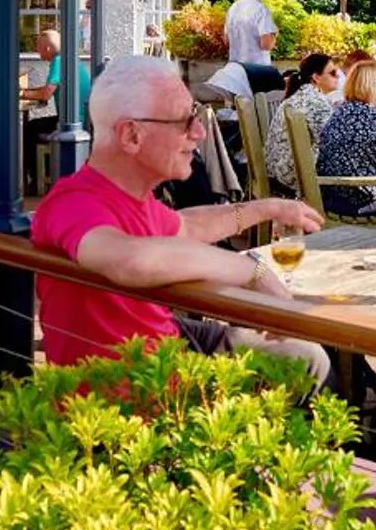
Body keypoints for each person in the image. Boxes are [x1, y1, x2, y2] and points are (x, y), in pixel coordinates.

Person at [30, 55, 331, 383]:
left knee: (306, 353)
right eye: (186, 121)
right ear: (132, 135)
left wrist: (268, 208)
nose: (200, 132)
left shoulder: (129, 196)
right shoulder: (76, 202)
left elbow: (186, 226)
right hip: (137, 397)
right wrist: (251, 271)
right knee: (310, 359)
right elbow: (132, 260)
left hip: (165, 344)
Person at [316, 64, 376, 218]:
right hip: (361, 200)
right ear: (369, 85)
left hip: (333, 196)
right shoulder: (372, 118)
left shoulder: (339, 113)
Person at [263, 52, 343, 191]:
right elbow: (332, 147)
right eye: (332, 73)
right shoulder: (316, 103)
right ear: (316, 77)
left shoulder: (300, 96)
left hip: (278, 172)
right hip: (296, 180)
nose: (338, 77)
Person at [23, 26, 90, 180]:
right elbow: (48, 88)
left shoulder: (59, 61)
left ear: (47, 48)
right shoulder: (69, 59)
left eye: (38, 48)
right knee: (34, 126)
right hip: (83, 118)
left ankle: (33, 179)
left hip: (72, 122)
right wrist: (29, 91)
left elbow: (46, 94)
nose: (37, 51)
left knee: (30, 129)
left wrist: (22, 93)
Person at [223, 0, 282, 94]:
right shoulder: (261, 9)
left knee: (238, 110)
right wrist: (275, 35)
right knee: (257, 111)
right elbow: (266, 45)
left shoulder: (233, 8)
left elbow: (227, 41)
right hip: (257, 72)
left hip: (236, 71)